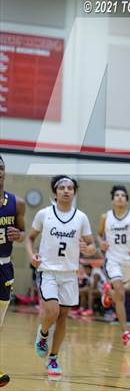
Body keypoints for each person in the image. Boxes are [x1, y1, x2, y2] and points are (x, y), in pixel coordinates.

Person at [25, 175, 96, 377]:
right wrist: (31, 256)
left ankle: (53, 358)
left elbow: (92, 245)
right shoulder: (44, 214)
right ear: (55, 192)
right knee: (53, 312)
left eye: (70, 188)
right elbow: (30, 239)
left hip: (69, 274)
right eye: (62, 187)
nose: (66, 190)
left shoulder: (81, 217)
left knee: (63, 317)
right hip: (48, 271)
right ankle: (43, 332)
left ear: (74, 192)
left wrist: (88, 249)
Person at [98, 184, 130, 346]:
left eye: (123, 196)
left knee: (124, 292)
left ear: (127, 201)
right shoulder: (105, 217)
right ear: (113, 200)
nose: (120, 197)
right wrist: (101, 243)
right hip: (112, 259)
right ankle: (125, 332)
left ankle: (108, 294)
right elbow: (99, 235)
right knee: (120, 292)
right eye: (117, 195)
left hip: (128, 260)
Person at [0, 155, 25, 387]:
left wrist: (18, 234)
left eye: (1, 168)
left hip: (5, 266)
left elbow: (23, 231)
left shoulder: (16, 203)